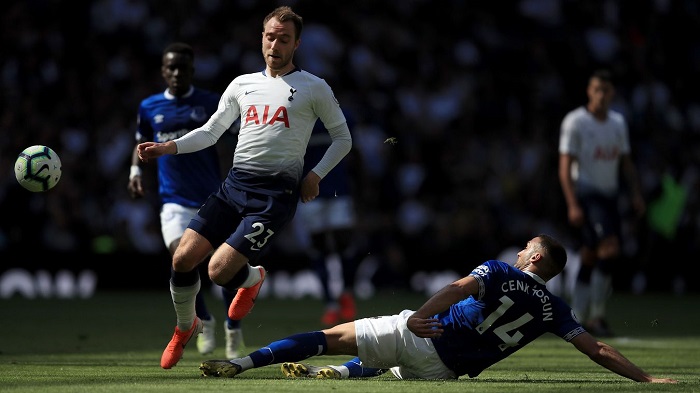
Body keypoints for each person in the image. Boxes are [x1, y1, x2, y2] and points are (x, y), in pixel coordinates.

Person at [136, 6, 352, 370]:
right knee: (182, 259)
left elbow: (342, 138)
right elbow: (210, 132)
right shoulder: (242, 84)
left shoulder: (314, 87)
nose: (275, 44)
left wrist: (315, 174)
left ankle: (251, 278)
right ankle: (185, 328)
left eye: (284, 38)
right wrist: (167, 147)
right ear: (262, 37)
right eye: (270, 36)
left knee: (218, 272)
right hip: (234, 185)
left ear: (296, 43)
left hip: (274, 196)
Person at [198, 234, 676, 383]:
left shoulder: (501, 271)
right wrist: (648, 379)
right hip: (444, 372)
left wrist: (417, 317)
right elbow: (596, 350)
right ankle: (340, 376)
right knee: (388, 369)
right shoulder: (555, 308)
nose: (519, 251)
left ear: (533, 258)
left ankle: (240, 364)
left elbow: (454, 287)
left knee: (330, 335)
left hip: (425, 334)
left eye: (525, 247)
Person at [128, 42, 245, 360]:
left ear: (192, 70)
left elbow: (236, 134)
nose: (177, 73)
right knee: (182, 258)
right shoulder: (149, 106)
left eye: (183, 67)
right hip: (174, 201)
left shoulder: (209, 102)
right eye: (171, 67)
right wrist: (134, 171)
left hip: (212, 197)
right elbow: (140, 142)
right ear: (163, 71)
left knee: (221, 267)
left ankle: (233, 327)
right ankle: (203, 320)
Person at [558, 69, 646, 337]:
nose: (602, 96)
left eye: (606, 91)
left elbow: (625, 161)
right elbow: (565, 165)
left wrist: (635, 192)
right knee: (609, 248)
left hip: (609, 194)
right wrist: (572, 203)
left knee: (590, 253)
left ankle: (576, 317)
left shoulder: (617, 123)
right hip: (586, 193)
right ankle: (596, 317)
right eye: (597, 90)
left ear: (612, 93)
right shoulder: (576, 122)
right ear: (589, 91)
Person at [296, 113, 360, 326]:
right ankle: (330, 304)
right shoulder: (299, 119)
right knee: (319, 247)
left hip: (338, 191)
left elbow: (353, 153)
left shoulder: (340, 118)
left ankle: (347, 293)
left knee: (344, 244)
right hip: (310, 193)